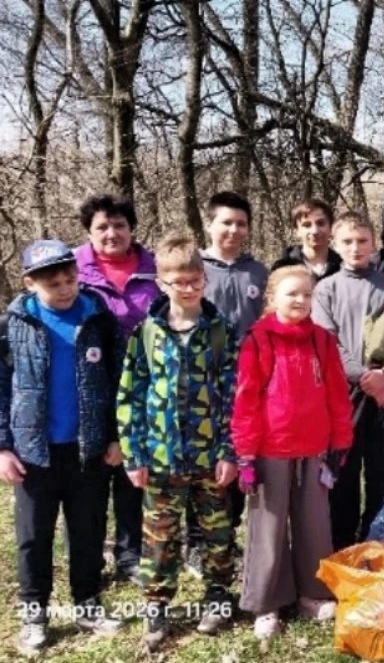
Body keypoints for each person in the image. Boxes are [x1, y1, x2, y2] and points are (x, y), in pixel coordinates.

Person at [116, 234, 240, 651]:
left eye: (195, 280)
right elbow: (131, 393)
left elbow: (233, 396)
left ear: (204, 279)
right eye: (178, 281)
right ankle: (156, 605)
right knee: (159, 535)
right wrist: (133, 454)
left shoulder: (221, 331)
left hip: (209, 455)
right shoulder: (146, 333)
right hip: (161, 456)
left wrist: (228, 450)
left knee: (217, 531)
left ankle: (219, 595)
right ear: (161, 283)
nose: (188, 288)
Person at [1, 240, 125, 655]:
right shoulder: (13, 324)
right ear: (30, 283)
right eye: (54, 284)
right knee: (34, 537)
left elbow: (116, 379)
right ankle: (34, 613)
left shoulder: (97, 318)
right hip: (34, 453)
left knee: (87, 530)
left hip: (87, 449)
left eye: (70, 279)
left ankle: (87, 604)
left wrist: (115, 436)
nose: (66, 288)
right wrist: (3, 447)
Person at [232, 266, 354, 638]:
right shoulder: (259, 340)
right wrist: (246, 454)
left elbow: (336, 393)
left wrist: (340, 440)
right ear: (273, 298)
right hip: (272, 448)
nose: (300, 301)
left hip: (314, 446)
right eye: (291, 294)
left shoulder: (322, 340)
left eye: (306, 295)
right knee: (268, 527)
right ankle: (267, 604)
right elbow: (246, 399)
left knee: (314, 524)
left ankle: (313, 593)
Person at [312, 213, 384, 549]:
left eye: (362, 241)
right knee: (343, 472)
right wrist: (366, 378)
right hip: (343, 396)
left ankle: (378, 541)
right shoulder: (325, 290)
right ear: (335, 245)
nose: (355, 248)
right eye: (347, 241)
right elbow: (327, 344)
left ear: (374, 243)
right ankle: (342, 545)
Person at [75, 194, 160, 584]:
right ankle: (90, 557)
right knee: (91, 477)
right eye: (102, 227)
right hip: (88, 385)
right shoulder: (71, 269)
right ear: (89, 232)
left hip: (145, 385)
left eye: (119, 225)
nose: (112, 233)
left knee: (133, 471)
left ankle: (130, 554)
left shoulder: (154, 269)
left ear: (132, 228)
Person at [186, 191, 268, 577]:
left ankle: (230, 538)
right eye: (226, 222)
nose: (234, 230)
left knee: (238, 459)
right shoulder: (194, 268)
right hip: (203, 385)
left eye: (241, 223)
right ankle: (197, 542)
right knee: (203, 463)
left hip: (251, 386)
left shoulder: (259, 272)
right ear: (210, 224)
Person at [270, 198, 342, 281]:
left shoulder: (343, 267)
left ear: (331, 227)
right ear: (297, 231)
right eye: (307, 225)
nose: (315, 231)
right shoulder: (283, 267)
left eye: (321, 223)